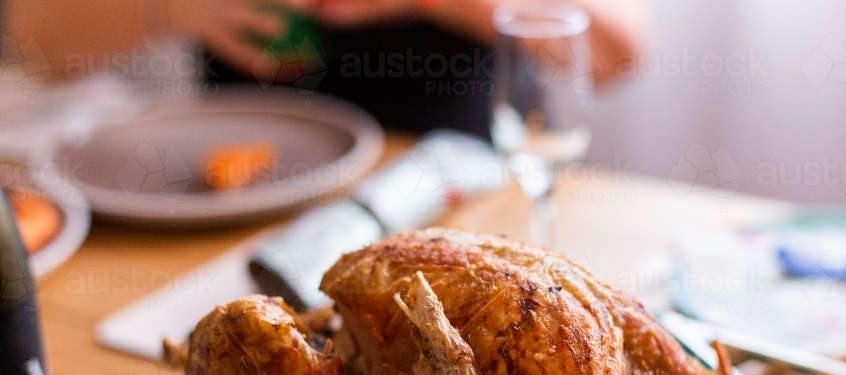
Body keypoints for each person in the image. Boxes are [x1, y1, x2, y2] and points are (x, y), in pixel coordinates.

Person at [3, 0, 650, 136]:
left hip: (452, 189)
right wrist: (168, 6)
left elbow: (615, 50)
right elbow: (33, 36)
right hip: (230, 205)